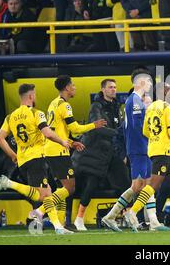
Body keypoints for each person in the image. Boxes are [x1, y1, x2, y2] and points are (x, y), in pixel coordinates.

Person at [0, 83, 73, 234]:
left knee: (47, 192)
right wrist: (62, 141)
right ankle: (9, 183)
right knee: (43, 195)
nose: (35, 97)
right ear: (30, 96)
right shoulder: (36, 113)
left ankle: (58, 227)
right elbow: (48, 133)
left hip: (22, 161)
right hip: (36, 158)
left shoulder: (11, 117)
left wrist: (12, 155)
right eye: (34, 94)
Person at [33, 75, 107, 226]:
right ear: (66, 88)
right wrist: (94, 125)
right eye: (72, 85)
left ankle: (60, 224)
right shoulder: (64, 105)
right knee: (70, 188)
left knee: (62, 188)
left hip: (52, 149)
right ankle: (40, 211)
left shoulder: (53, 103)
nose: (75, 87)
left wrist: (72, 143)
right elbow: (74, 128)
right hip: (58, 151)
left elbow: (58, 131)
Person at [102, 68, 169, 231]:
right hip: (140, 148)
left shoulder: (134, 101)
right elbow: (139, 127)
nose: (150, 85)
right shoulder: (135, 102)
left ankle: (152, 221)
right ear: (141, 82)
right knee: (139, 185)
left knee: (144, 184)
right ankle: (112, 217)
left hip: (140, 148)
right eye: (149, 82)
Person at [124, 82, 170, 231]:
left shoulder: (150, 107)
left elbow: (145, 131)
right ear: (165, 93)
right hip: (162, 152)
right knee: (153, 186)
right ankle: (132, 212)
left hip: (155, 149)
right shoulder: (169, 108)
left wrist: (161, 139)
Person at [72, 79, 129, 231]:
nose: (113, 90)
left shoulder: (117, 106)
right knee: (91, 184)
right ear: (103, 89)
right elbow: (98, 128)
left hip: (111, 152)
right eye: (110, 87)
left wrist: (121, 150)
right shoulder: (96, 106)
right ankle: (78, 219)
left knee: (125, 183)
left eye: (115, 87)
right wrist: (117, 133)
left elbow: (118, 127)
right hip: (95, 153)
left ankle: (126, 216)